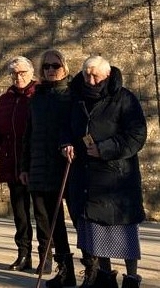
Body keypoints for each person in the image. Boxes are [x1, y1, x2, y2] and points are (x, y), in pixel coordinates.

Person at [62, 56, 147, 288]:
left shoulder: (124, 98)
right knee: (96, 233)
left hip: (117, 178)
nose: (90, 80)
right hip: (87, 176)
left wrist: (105, 149)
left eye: (95, 75)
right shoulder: (76, 96)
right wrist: (66, 143)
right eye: (87, 74)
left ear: (107, 75)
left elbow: (137, 135)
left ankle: (131, 278)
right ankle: (104, 277)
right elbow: (66, 127)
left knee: (125, 232)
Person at [19, 49, 76, 287]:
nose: (51, 70)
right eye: (47, 67)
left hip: (66, 167)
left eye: (56, 66)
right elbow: (28, 135)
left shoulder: (72, 95)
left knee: (77, 220)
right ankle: (66, 270)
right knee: (47, 221)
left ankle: (93, 269)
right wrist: (24, 166)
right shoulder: (37, 98)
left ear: (65, 68)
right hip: (39, 167)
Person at [0, 56, 50, 272]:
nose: (18, 77)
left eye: (22, 73)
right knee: (20, 214)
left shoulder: (39, 96)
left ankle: (45, 256)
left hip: (36, 165)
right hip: (12, 164)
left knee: (42, 214)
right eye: (14, 73)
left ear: (31, 73)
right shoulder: (5, 99)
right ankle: (23, 254)